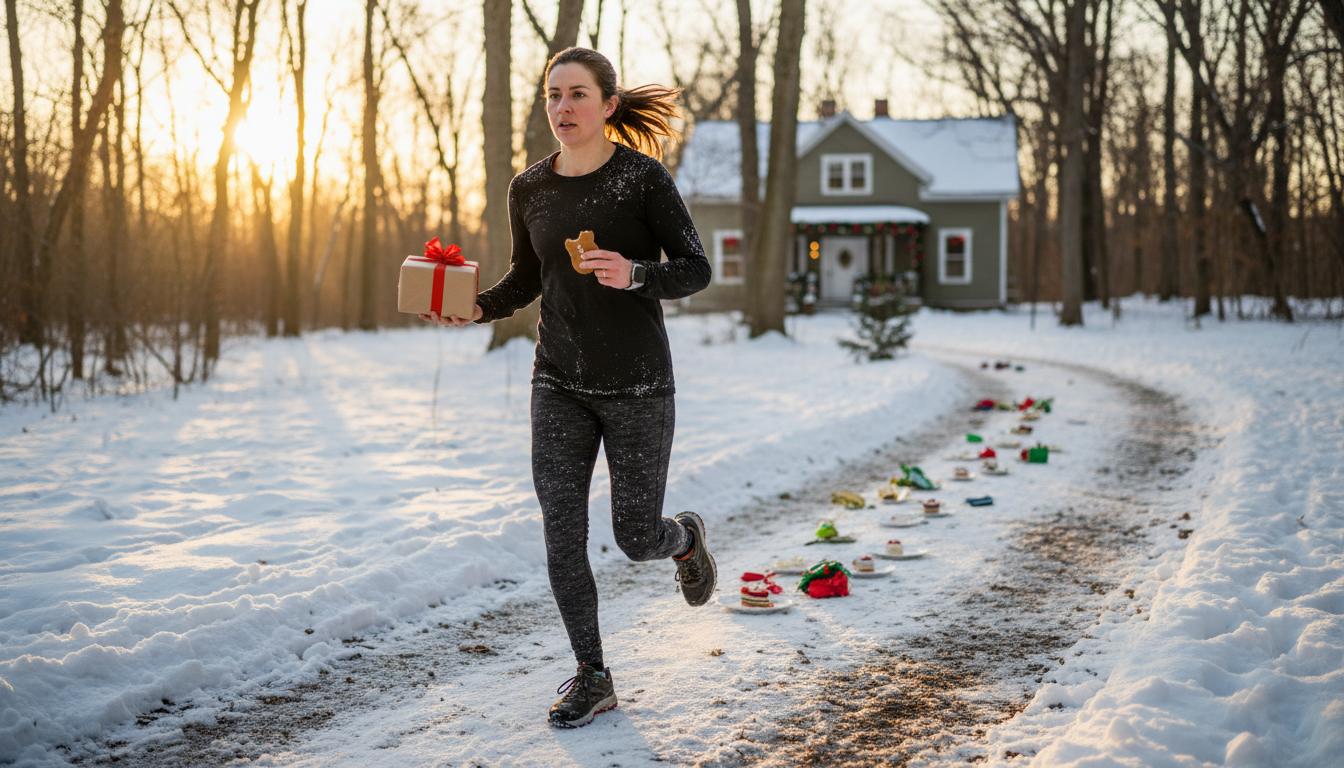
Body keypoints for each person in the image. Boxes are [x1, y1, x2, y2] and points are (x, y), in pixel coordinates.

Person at [420, 46, 716, 728]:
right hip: (558, 379)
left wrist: (637, 273)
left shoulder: (642, 179)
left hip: (639, 384)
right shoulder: (531, 188)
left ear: (608, 105)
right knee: (562, 532)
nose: (563, 107)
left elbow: (696, 269)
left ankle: (686, 540)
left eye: (577, 94)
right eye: (553, 94)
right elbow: (527, 279)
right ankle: (593, 674)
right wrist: (477, 307)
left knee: (635, 537)